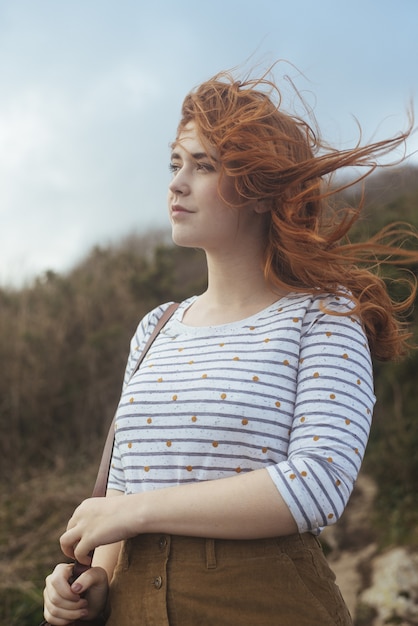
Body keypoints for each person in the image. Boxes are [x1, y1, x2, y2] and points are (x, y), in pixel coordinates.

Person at [43, 66, 418, 626]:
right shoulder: (156, 326)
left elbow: (319, 482)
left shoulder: (324, 314)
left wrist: (136, 515)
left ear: (263, 191)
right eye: (175, 163)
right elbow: (120, 491)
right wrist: (95, 585)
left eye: (204, 165)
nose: (175, 182)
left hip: (265, 605)